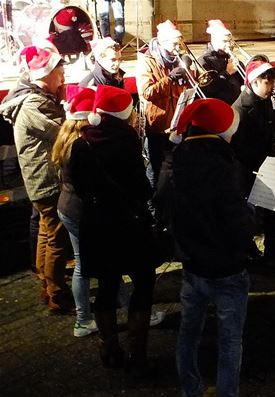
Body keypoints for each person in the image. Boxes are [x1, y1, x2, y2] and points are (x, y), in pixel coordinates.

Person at [160, 98, 254, 397]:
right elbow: (235, 220)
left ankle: (191, 389)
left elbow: (162, 204)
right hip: (226, 265)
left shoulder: (175, 158)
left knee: (189, 331)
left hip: (191, 262)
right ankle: (227, 393)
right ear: (223, 130)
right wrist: (253, 215)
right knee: (230, 338)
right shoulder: (223, 165)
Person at [71, 85, 160, 373]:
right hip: (128, 224)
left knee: (106, 287)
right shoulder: (128, 141)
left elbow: (81, 187)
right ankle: (138, 352)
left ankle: (109, 347)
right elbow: (141, 188)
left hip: (97, 223)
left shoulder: (80, 142)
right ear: (123, 113)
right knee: (143, 285)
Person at [0, 45, 73, 314]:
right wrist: (68, 110)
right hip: (47, 180)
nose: (62, 78)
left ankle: (46, 280)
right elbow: (63, 134)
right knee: (56, 237)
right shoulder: (34, 104)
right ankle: (57, 294)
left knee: (46, 231)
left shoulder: (31, 99)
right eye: (59, 73)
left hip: (39, 179)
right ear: (46, 75)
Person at [52, 86, 99, 337]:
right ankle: (83, 319)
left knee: (88, 261)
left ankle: (85, 318)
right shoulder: (82, 145)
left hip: (67, 206)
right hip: (79, 210)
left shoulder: (66, 137)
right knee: (89, 263)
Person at [231, 59, 275, 259]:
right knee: (249, 214)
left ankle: (272, 249)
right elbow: (239, 147)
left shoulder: (264, 101)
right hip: (247, 171)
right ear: (254, 82)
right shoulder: (240, 109)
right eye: (268, 83)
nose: (272, 87)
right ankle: (247, 250)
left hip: (265, 166)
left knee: (270, 211)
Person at [136, 20, 190, 188]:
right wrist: (170, 78)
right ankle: (154, 204)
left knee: (176, 164)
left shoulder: (175, 59)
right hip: (158, 125)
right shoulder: (148, 61)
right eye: (174, 44)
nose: (177, 48)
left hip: (176, 122)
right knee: (156, 167)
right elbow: (147, 92)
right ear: (163, 42)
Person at [198, 19, 244, 104]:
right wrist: (227, 73)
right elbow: (208, 89)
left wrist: (240, 67)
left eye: (229, 41)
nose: (228, 45)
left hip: (235, 104)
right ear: (214, 40)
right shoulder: (204, 60)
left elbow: (243, 82)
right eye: (224, 41)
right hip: (218, 106)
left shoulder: (229, 57)